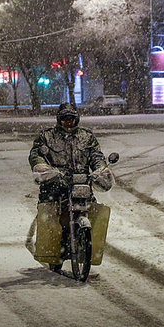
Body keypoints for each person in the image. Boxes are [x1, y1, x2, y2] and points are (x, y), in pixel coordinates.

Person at [29, 103, 114, 267]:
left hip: (81, 181)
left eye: (72, 119)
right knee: (50, 212)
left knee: (93, 208)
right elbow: (36, 155)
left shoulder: (86, 137)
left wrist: (100, 169)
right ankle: (51, 250)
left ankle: (88, 246)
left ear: (77, 119)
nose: (68, 122)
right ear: (59, 120)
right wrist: (43, 168)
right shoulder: (47, 136)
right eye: (65, 119)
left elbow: (96, 155)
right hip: (55, 182)